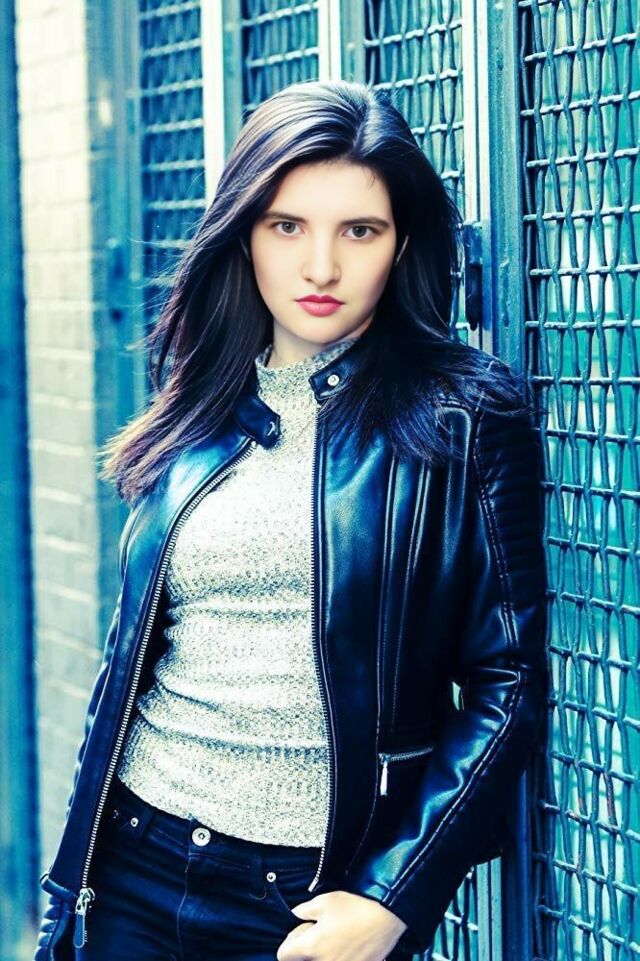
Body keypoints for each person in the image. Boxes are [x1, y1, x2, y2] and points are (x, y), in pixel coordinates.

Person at [34, 79, 548, 961]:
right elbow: (131, 658)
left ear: (403, 243)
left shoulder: (463, 413)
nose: (320, 268)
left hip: (305, 900)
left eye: (360, 230)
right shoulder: (201, 400)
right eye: (287, 226)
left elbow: (508, 683)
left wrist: (393, 897)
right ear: (244, 233)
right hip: (132, 863)